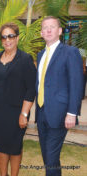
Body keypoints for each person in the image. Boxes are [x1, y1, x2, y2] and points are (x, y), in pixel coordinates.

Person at [36, 16, 84, 176]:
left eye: (52, 26)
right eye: (45, 27)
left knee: (50, 157)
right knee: (48, 157)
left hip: (61, 114)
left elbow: (76, 84)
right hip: (42, 112)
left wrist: (72, 113)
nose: (48, 30)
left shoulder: (70, 52)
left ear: (60, 31)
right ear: (41, 33)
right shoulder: (40, 54)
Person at [0, 23, 36, 176]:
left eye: (10, 36)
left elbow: (31, 89)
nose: (7, 40)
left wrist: (24, 114)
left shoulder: (25, 59)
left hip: (17, 112)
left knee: (15, 147)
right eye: (4, 37)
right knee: (1, 145)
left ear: (17, 38)